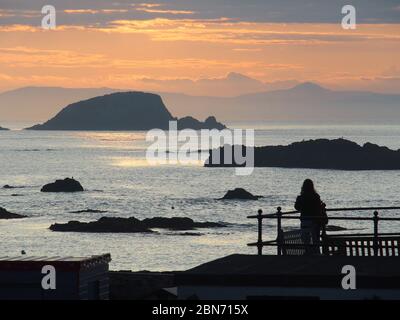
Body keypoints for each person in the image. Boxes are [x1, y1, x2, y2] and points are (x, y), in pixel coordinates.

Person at [294, 179, 327, 255]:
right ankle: (317, 253)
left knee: (306, 239)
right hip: (315, 221)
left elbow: (296, 207)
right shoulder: (316, 196)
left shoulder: (301, 197)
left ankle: (307, 252)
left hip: (304, 220)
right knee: (316, 239)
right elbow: (318, 207)